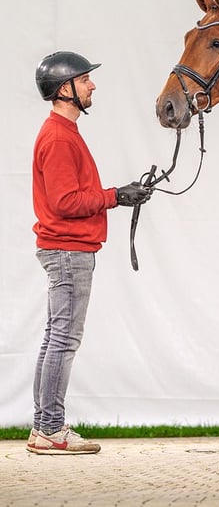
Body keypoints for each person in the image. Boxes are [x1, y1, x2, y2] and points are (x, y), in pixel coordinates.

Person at [27, 51, 151, 455]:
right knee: (63, 340)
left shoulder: (63, 133)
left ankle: (45, 427)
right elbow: (65, 201)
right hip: (68, 250)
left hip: (65, 249)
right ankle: (49, 429)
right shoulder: (60, 137)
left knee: (55, 338)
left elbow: (71, 195)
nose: (92, 85)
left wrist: (119, 194)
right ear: (65, 89)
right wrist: (116, 196)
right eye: (84, 80)